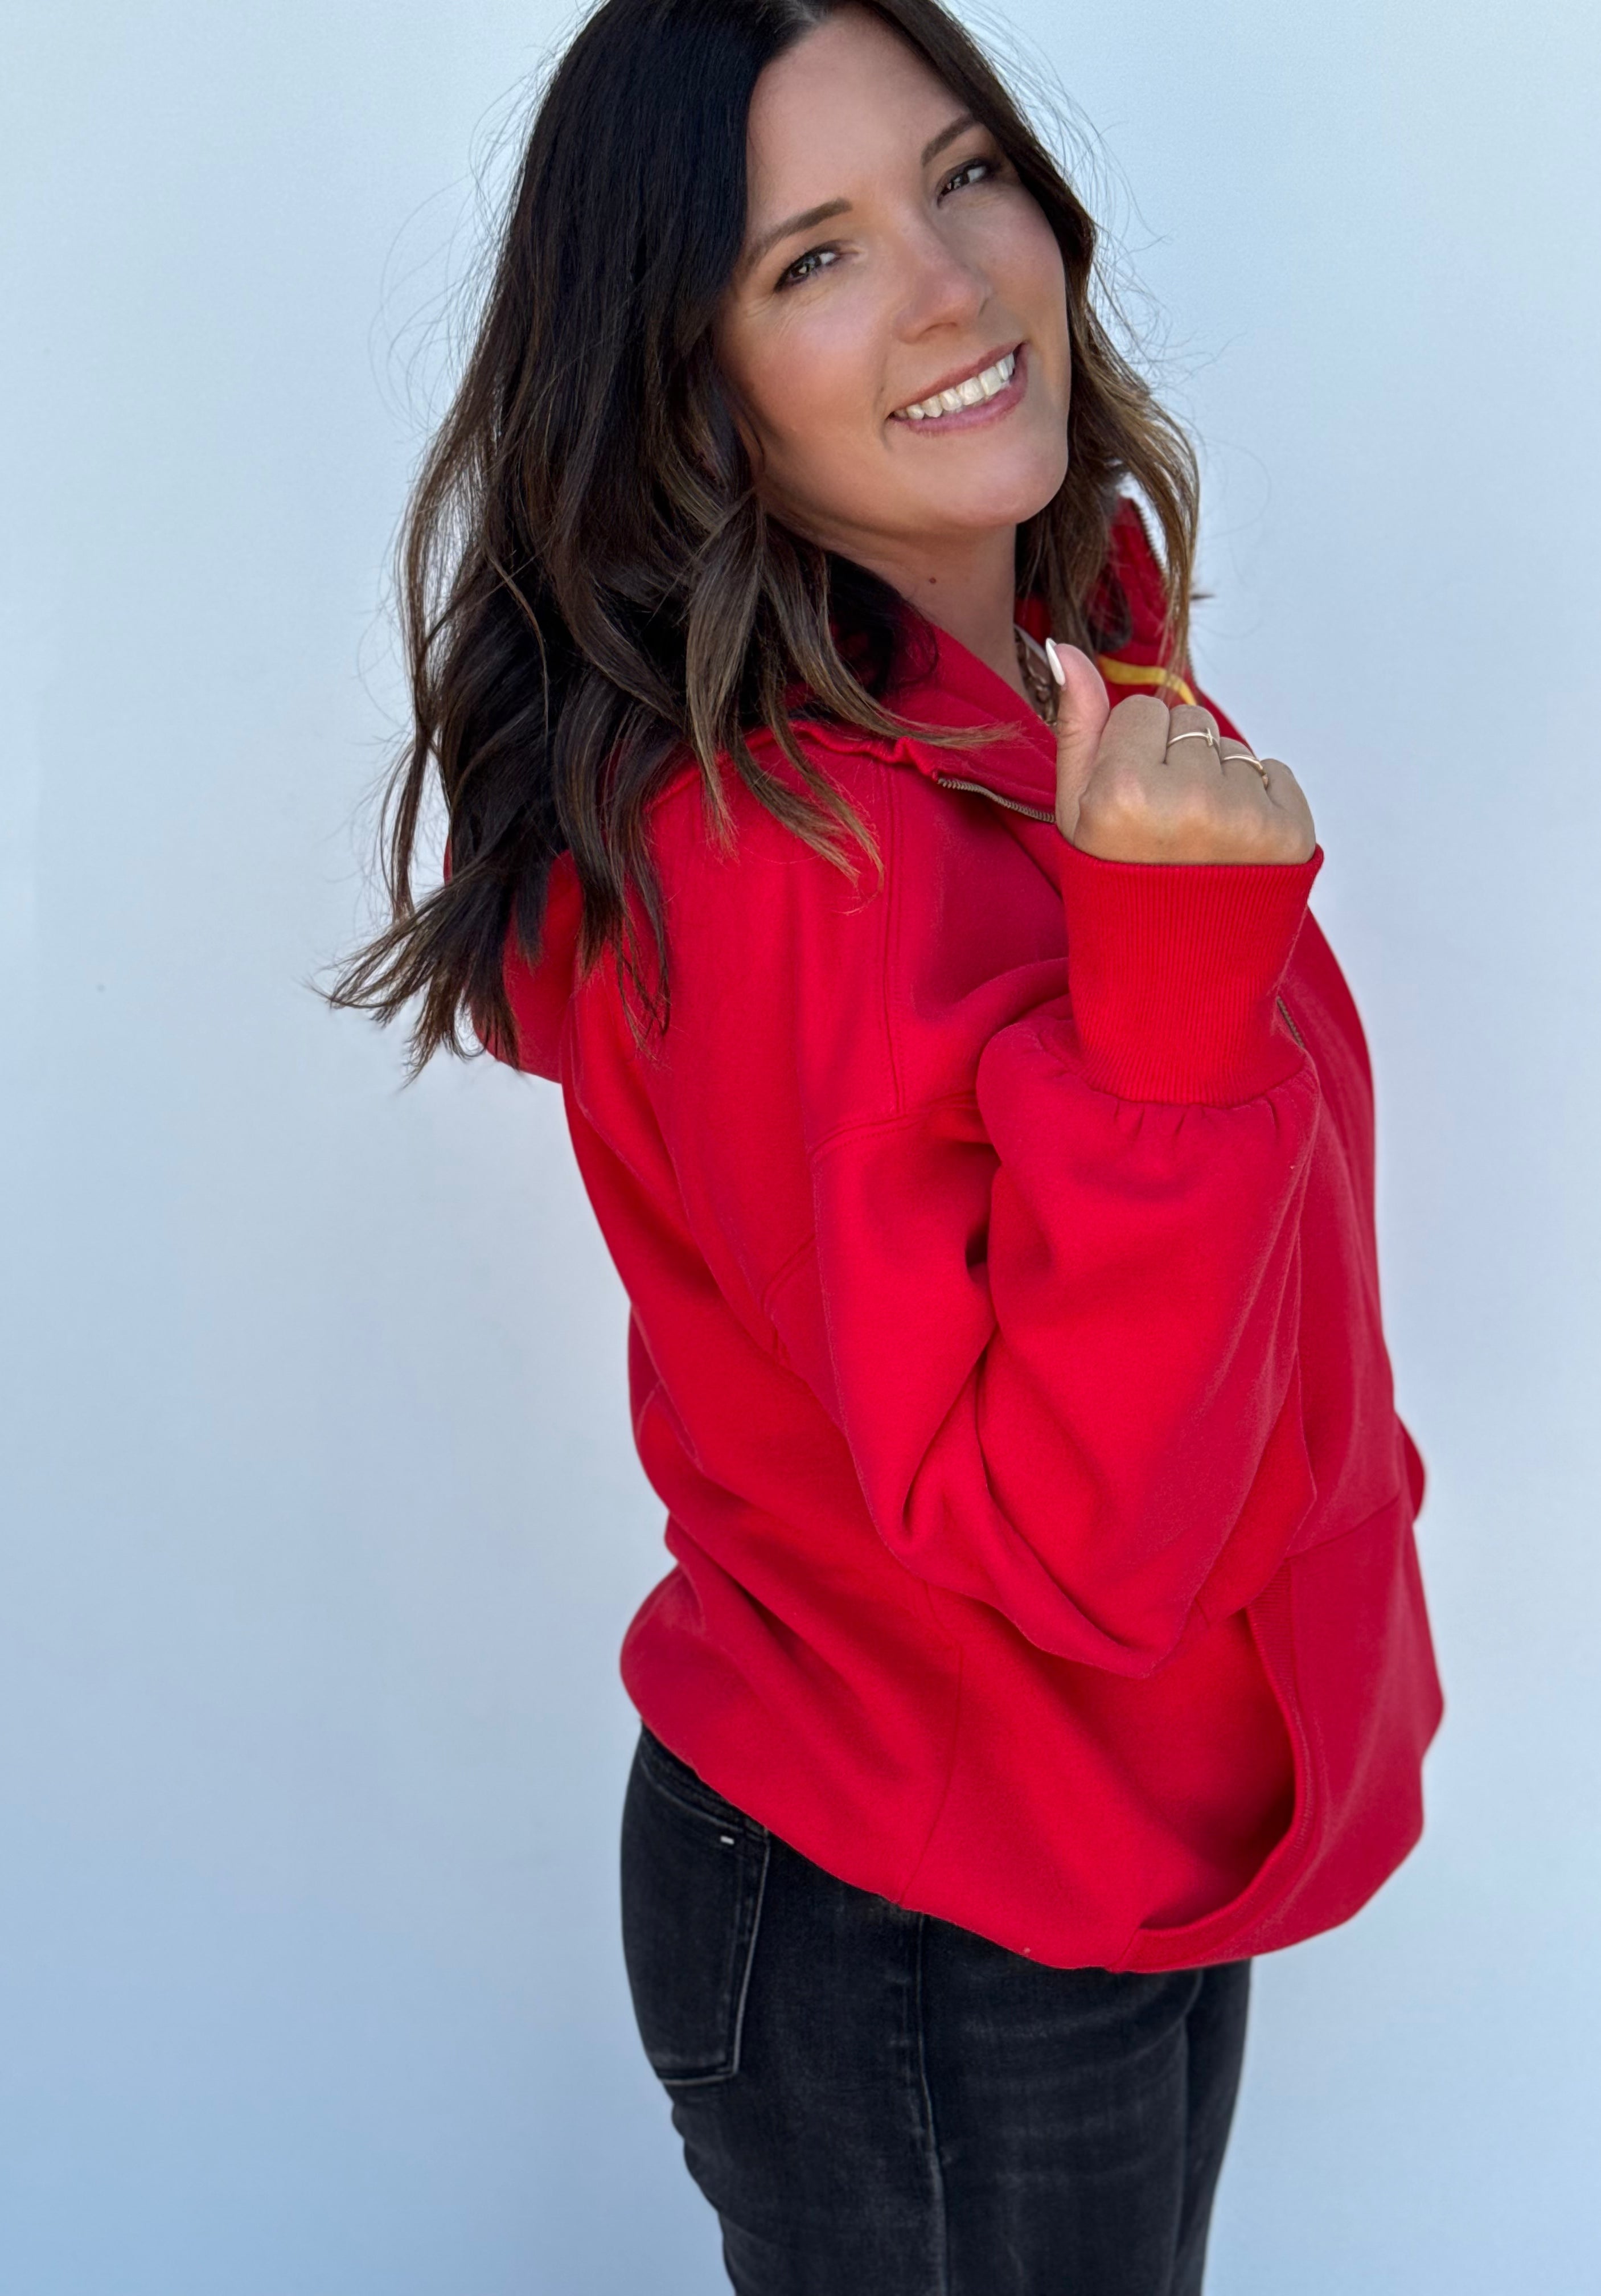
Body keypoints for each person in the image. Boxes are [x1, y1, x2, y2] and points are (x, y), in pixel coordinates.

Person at [333, 1, 1445, 2287]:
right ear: (687, 376)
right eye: (812, 257)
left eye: (964, 177)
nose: (951, 284)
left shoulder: (1042, 681)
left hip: (1091, 1845)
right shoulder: (785, 866)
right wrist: (1168, 986)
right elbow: (1083, 1548)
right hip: (927, 1928)